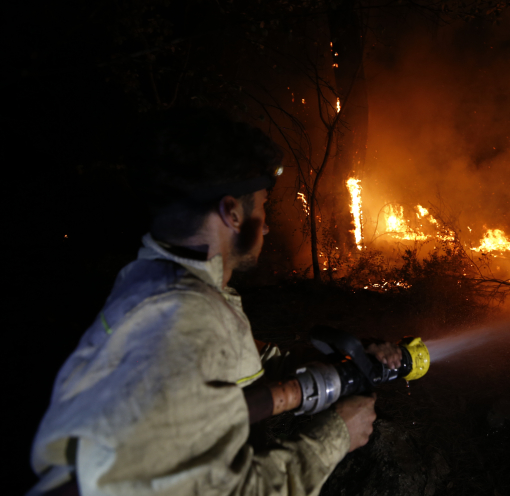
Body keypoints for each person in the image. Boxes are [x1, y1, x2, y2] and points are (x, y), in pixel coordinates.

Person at [27, 108, 402, 496]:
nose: (268, 223)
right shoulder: (184, 318)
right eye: (263, 205)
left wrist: (329, 365)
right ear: (232, 213)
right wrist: (337, 435)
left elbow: (225, 372)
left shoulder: (155, 283)